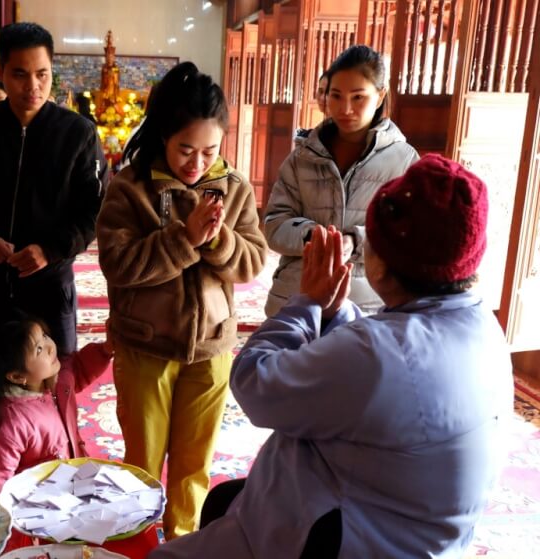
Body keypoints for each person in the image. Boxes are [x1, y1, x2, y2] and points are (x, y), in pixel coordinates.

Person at [149, 155, 513, 558]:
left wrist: (305, 304)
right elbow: (381, 367)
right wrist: (335, 311)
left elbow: (255, 383)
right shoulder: (482, 329)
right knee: (224, 501)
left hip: (340, 537)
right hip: (404, 528)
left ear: (384, 265)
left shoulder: (378, 355)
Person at [96, 62, 267, 540]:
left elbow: (252, 261)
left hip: (211, 348)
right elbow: (119, 265)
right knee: (143, 466)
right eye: (185, 149)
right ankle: (138, 543)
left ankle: (184, 543)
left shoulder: (233, 188)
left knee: (195, 469)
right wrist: (185, 239)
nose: (196, 163)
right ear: (163, 138)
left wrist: (217, 242)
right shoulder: (131, 188)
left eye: (209, 150)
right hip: (145, 346)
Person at [0, 22, 106, 355]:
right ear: (0, 72)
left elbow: (93, 211)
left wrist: (50, 250)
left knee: (56, 383)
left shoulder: (77, 133)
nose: (33, 86)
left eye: (42, 74)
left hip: (50, 285)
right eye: (20, 74)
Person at [264, 45, 419, 316]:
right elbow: (275, 225)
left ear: (380, 95)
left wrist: (355, 240)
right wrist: (314, 237)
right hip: (298, 298)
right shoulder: (302, 157)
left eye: (358, 97)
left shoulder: (404, 161)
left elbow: (410, 232)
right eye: (336, 96)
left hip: (367, 304)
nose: (345, 108)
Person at [0, 317, 113, 497]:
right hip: (38, 502)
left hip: (72, 479)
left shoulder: (55, 378)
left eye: (44, 336)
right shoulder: (9, 424)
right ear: (16, 376)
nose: (50, 346)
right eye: (39, 349)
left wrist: (106, 349)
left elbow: (78, 368)